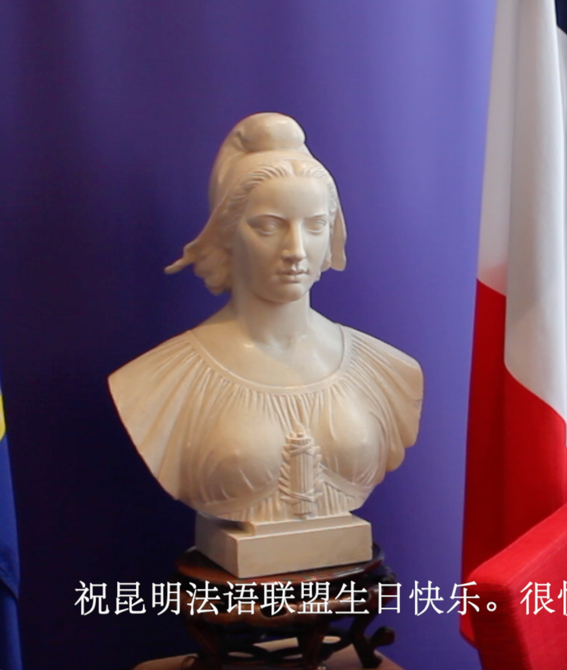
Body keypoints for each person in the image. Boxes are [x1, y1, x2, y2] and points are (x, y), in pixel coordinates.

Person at [109, 113, 423, 523]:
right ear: (226, 232)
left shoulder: (389, 370)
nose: (296, 250)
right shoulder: (156, 381)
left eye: (315, 226)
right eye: (270, 226)